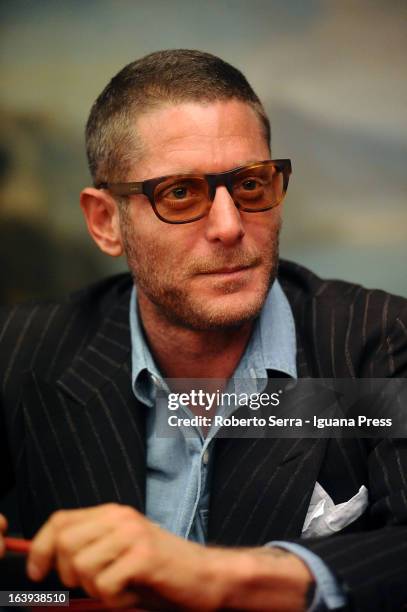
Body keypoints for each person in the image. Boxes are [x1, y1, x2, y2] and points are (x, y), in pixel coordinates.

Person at [0, 49, 406, 611]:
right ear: (105, 223)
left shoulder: (381, 341)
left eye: (251, 184)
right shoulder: (19, 351)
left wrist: (223, 576)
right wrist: (29, 599)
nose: (229, 226)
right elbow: (22, 595)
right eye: (181, 193)